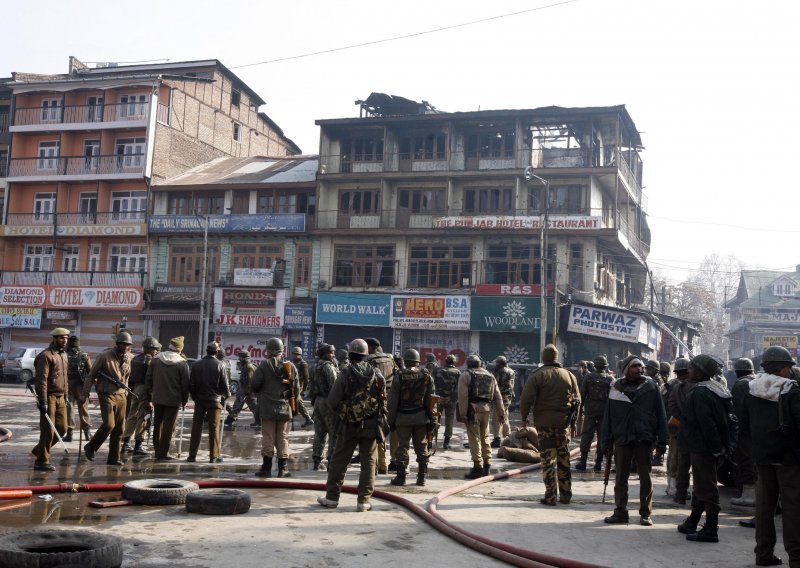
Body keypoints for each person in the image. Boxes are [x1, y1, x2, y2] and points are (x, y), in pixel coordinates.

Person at [740, 346, 799, 567]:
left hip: (762, 456)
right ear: (783, 368)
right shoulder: (791, 391)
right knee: (793, 510)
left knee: (764, 508)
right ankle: (797, 557)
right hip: (789, 460)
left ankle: (763, 554)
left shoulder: (751, 389)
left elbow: (744, 426)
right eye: (788, 367)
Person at [317, 338, 387, 512]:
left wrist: (345, 413)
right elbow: (383, 398)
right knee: (369, 463)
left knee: (339, 462)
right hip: (371, 426)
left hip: (348, 425)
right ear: (366, 355)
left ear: (350, 354)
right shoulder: (376, 374)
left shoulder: (345, 373)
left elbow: (332, 401)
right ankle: (363, 501)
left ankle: (332, 498)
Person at [601, 357, 667, 526]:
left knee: (645, 477)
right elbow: (608, 416)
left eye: (640, 366)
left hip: (643, 437)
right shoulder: (616, 388)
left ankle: (645, 513)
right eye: (635, 366)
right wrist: (605, 441)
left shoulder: (651, 387)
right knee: (621, 477)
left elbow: (661, 414)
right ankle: (620, 512)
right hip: (622, 437)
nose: (639, 369)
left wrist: (662, 440)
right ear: (626, 369)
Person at [677, 354, 736, 543]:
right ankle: (693, 521)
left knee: (707, 488)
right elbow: (731, 421)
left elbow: (706, 424)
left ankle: (711, 527)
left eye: (692, 368)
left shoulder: (699, 392)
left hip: (704, 447)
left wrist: (716, 448)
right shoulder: (717, 387)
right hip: (712, 447)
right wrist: (724, 447)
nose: (689, 371)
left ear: (701, 372)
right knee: (701, 485)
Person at [519, 344, 580, 506]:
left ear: (543, 358)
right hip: (563, 424)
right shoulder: (569, 375)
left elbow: (526, 399)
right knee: (564, 458)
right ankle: (566, 495)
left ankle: (551, 496)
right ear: (557, 357)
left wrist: (524, 417)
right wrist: (573, 422)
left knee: (548, 460)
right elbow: (577, 400)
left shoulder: (538, 375)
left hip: (544, 424)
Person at [81, 331, 134, 465]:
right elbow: (91, 376)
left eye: (128, 345)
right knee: (109, 424)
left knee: (119, 429)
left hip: (121, 394)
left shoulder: (128, 357)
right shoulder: (104, 356)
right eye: (124, 344)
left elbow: (126, 376)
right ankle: (91, 447)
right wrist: (84, 394)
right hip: (106, 393)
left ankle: (113, 458)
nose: (126, 347)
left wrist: (126, 390)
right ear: (118, 344)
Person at [252, 337, 299, 478]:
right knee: (283, 437)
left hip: (267, 408)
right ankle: (282, 469)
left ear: (268, 351)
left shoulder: (263, 366)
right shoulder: (291, 367)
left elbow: (254, 385)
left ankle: (266, 469)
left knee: (268, 437)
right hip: (284, 408)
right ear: (281, 351)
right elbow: (296, 390)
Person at [387, 349, 435, 487]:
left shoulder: (399, 375)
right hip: (421, 417)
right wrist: (432, 419)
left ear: (406, 361)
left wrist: (391, 420)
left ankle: (401, 478)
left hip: (403, 418)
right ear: (418, 361)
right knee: (422, 446)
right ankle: (421, 478)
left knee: (402, 447)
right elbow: (431, 399)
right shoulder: (426, 375)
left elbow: (393, 400)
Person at [459, 354, 504, 479]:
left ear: (468, 364)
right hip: (486, 409)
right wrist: (501, 413)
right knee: (485, 437)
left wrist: (463, 414)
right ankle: (487, 465)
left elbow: (463, 396)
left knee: (474, 438)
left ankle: (477, 467)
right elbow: (498, 396)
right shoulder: (490, 376)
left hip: (472, 410)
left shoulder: (466, 375)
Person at [145, 336, 190, 461]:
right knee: (168, 427)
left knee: (158, 424)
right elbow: (185, 384)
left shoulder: (156, 359)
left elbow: (148, 378)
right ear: (180, 349)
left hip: (158, 398)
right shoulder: (182, 363)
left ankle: (157, 450)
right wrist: (185, 399)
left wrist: (151, 394)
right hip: (173, 400)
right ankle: (163, 453)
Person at [31, 328, 71, 471]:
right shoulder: (46, 356)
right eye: (61, 338)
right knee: (48, 430)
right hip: (49, 397)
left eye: (66, 338)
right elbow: (41, 380)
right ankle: (42, 461)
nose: (64, 340)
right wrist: (43, 401)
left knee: (62, 429)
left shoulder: (64, 355)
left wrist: (66, 396)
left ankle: (39, 449)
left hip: (61, 397)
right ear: (54, 338)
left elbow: (65, 378)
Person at [187, 342, 230, 463]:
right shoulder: (220, 365)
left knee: (196, 428)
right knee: (214, 428)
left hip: (199, 401)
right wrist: (227, 395)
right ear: (216, 352)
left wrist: (195, 398)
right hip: (214, 401)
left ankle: (192, 456)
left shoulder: (196, 365)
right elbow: (225, 385)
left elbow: (192, 384)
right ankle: (213, 456)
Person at [122, 336, 161, 456]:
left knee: (132, 416)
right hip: (146, 390)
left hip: (135, 389)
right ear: (152, 349)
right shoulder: (152, 361)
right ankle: (138, 444)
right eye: (156, 349)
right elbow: (151, 380)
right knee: (144, 417)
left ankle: (126, 443)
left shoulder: (135, 359)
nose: (157, 351)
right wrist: (151, 398)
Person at [365, 337, 398, 474]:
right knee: (394, 429)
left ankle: (381, 464)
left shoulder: (369, 360)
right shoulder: (390, 358)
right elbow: (397, 374)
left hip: (377, 399)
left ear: (371, 347)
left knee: (379, 430)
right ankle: (395, 460)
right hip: (392, 398)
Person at [576, 355, 613, 472]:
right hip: (605, 413)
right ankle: (598, 463)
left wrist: (579, 410)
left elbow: (582, 395)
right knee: (602, 437)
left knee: (586, 435)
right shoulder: (610, 379)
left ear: (595, 365)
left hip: (590, 412)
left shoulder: (588, 377)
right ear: (605, 366)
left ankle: (583, 462)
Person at [729, 357, 758, 508]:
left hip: (744, 430)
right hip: (758, 429)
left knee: (744, 460)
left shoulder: (741, 384)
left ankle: (748, 495)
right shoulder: (758, 380)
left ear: (738, 371)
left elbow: (738, 412)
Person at [309, 343, 339, 470]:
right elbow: (335, 387)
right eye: (330, 353)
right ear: (324, 354)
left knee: (319, 433)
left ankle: (316, 460)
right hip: (328, 402)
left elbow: (310, 387)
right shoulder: (328, 367)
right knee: (334, 433)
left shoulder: (314, 367)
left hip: (317, 401)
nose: (333, 355)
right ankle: (331, 461)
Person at [669, 357, 695, 504]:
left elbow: (671, 407)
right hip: (689, 430)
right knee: (687, 463)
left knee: (680, 462)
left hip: (679, 428)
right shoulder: (698, 386)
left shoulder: (675, 386)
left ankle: (678, 492)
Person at [664, 357, 689, 496]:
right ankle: (674, 486)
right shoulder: (683, 385)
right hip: (678, 425)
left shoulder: (669, 385)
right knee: (678, 457)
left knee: (674, 456)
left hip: (674, 425)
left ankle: (672, 485)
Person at [64, 335, 92, 443]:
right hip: (81, 386)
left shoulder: (64, 355)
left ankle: (69, 434)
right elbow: (90, 372)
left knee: (69, 409)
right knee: (84, 409)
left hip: (67, 385)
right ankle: (87, 434)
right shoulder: (84, 355)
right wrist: (88, 388)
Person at [225, 351, 259, 430]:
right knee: (253, 407)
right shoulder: (246, 366)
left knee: (239, 406)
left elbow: (250, 380)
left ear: (244, 357)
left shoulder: (249, 367)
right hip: (245, 391)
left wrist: (247, 392)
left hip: (246, 391)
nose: (239, 359)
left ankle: (230, 420)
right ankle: (258, 421)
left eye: (240, 357)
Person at [434, 354, 460, 450]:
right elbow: (458, 388)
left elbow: (434, 384)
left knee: (435, 419)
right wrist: (450, 397)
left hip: (438, 399)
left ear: (445, 361)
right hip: (451, 400)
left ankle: (431, 440)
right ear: (454, 362)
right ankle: (446, 443)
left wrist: (438, 396)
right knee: (449, 420)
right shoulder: (457, 372)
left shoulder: (438, 370)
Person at [490, 355, 516, 448]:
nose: (495, 364)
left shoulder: (497, 371)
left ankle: (497, 439)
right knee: (504, 415)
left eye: (497, 362)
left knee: (496, 418)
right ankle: (508, 436)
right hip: (507, 398)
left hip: (499, 397)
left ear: (499, 363)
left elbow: (493, 385)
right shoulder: (512, 371)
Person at [291, 346, 314, 428]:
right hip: (292, 385)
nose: (295, 356)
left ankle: (308, 418)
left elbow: (306, 378)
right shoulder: (292, 363)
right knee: (295, 402)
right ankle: (307, 418)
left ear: (300, 355)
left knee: (299, 402)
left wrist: (304, 390)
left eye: (297, 354)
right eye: (294, 354)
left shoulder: (303, 364)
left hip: (298, 386)